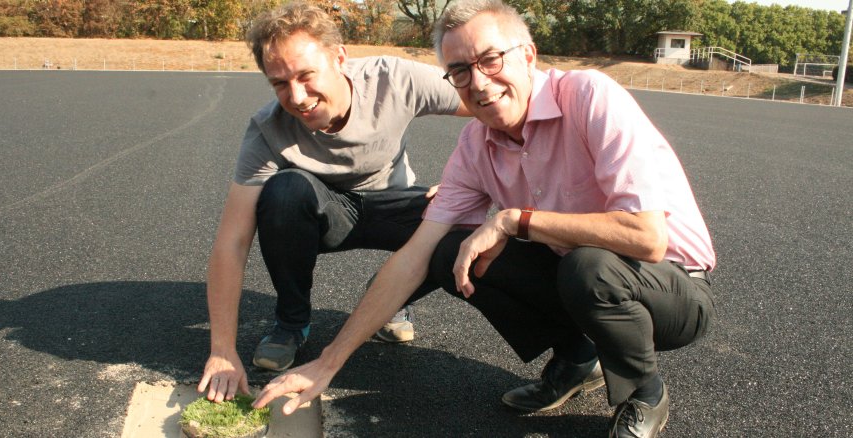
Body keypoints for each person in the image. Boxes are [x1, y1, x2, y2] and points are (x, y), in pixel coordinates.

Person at [252, 1, 716, 437]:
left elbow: (648, 238)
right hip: (584, 274)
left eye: (491, 59)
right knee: (450, 252)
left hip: (671, 288)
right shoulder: (476, 145)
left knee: (588, 266)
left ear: (528, 55)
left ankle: (644, 393)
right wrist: (327, 364)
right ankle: (578, 360)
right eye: (459, 71)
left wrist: (515, 220)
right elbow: (414, 255)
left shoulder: (589, 96)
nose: (478, 81)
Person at [197, 2, 469, 403]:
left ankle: (389, 298)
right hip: (325, 212)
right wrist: (221, 350)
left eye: (307, 75)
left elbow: (491, 106)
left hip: (394, 202)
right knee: (283, 191)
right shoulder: (267, 130)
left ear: (339, 58)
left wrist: (467, 181)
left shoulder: (394, 79)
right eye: (279, 83)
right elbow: (232, 240)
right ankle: (291, 323)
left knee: (462, 225)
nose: (298, 96)